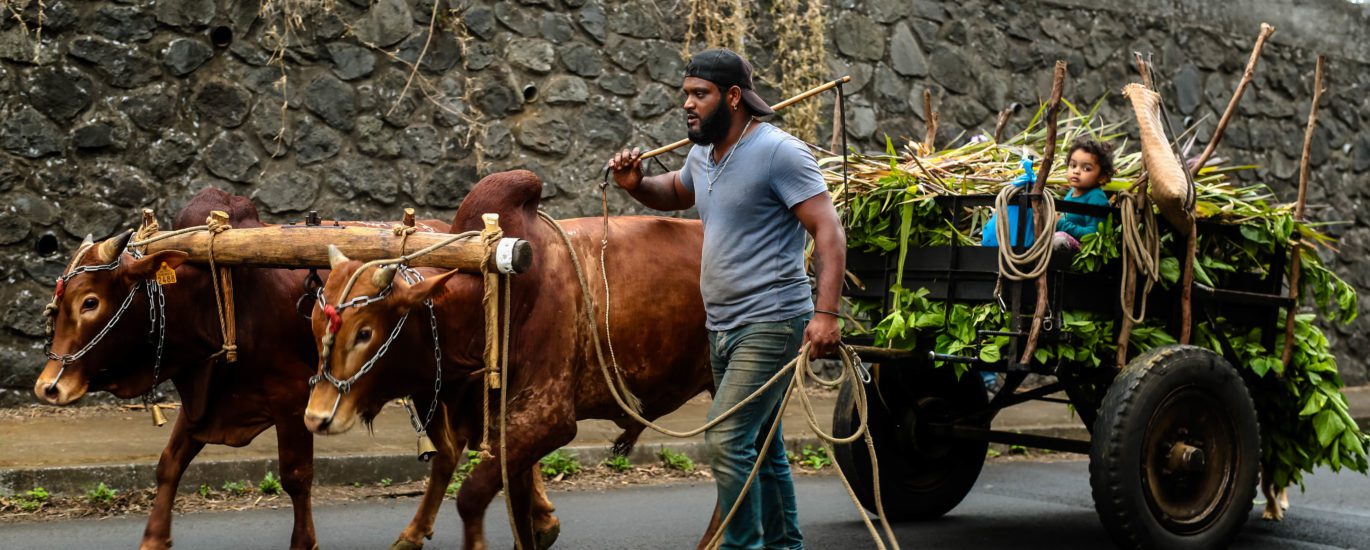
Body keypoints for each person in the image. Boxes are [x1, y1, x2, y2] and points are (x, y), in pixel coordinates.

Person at [608, 48, 845, 550]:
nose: (688, 106)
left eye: (700, 95)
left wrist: (826, 313)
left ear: (733, 97)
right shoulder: (703, 153)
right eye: (686, 95)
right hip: (722, 326)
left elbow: (828, 232)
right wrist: (636, 186)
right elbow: (674, 192)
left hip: (773, 320)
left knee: (727, 439)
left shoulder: (780, 152)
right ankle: (785, 546)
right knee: (762, 447)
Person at [1055, 137, 1114, 243]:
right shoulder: (1071, 193)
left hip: (1083, 252)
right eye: (1073, 165)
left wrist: (1060, 224)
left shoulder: (1096, 197)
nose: (1076, 171)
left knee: (1059, 240)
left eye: (1086, 168)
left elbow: (1094, 234)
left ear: (1102, 177)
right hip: (1067, 245)